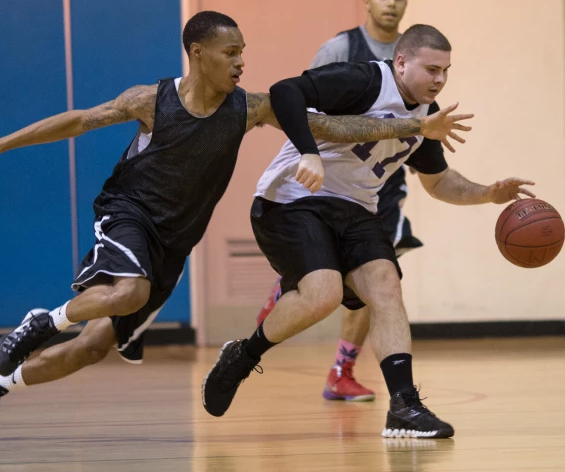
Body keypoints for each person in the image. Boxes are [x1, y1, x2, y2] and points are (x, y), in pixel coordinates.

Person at [0, 11, 467, 442]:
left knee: (91, 349)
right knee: (127, 291)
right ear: (198, 53)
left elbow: (331, 126)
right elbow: (77, 119)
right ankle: (43, 322)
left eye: (244, 51)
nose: (242, 62)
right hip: (129, 212)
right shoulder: (150, 100)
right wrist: (0, 145)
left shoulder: (249, 108)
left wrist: (414, 126)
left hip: (175, 243)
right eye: (230, 53)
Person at [202, 24, 534, 439]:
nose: (440, 80)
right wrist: (309, 152)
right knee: (322, 295)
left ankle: (404, 408)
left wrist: (489, 193)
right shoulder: (364, 80)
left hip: (357, 208)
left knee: (386, 286)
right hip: (291, 199)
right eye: (431, 69)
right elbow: (285, 91)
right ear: (400, 61)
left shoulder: (427, 117)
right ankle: (243, 355)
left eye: (446, 71)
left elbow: (438, 183)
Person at [255, 0, 421, 402]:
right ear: (366, 0)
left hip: (381, 184)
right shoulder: (342, 49)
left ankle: (342, 370)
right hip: (329, 180)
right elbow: (304, 111)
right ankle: (290, 284)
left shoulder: (419, 57)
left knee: (380, 282)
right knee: (331, 280)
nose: (391, 3)